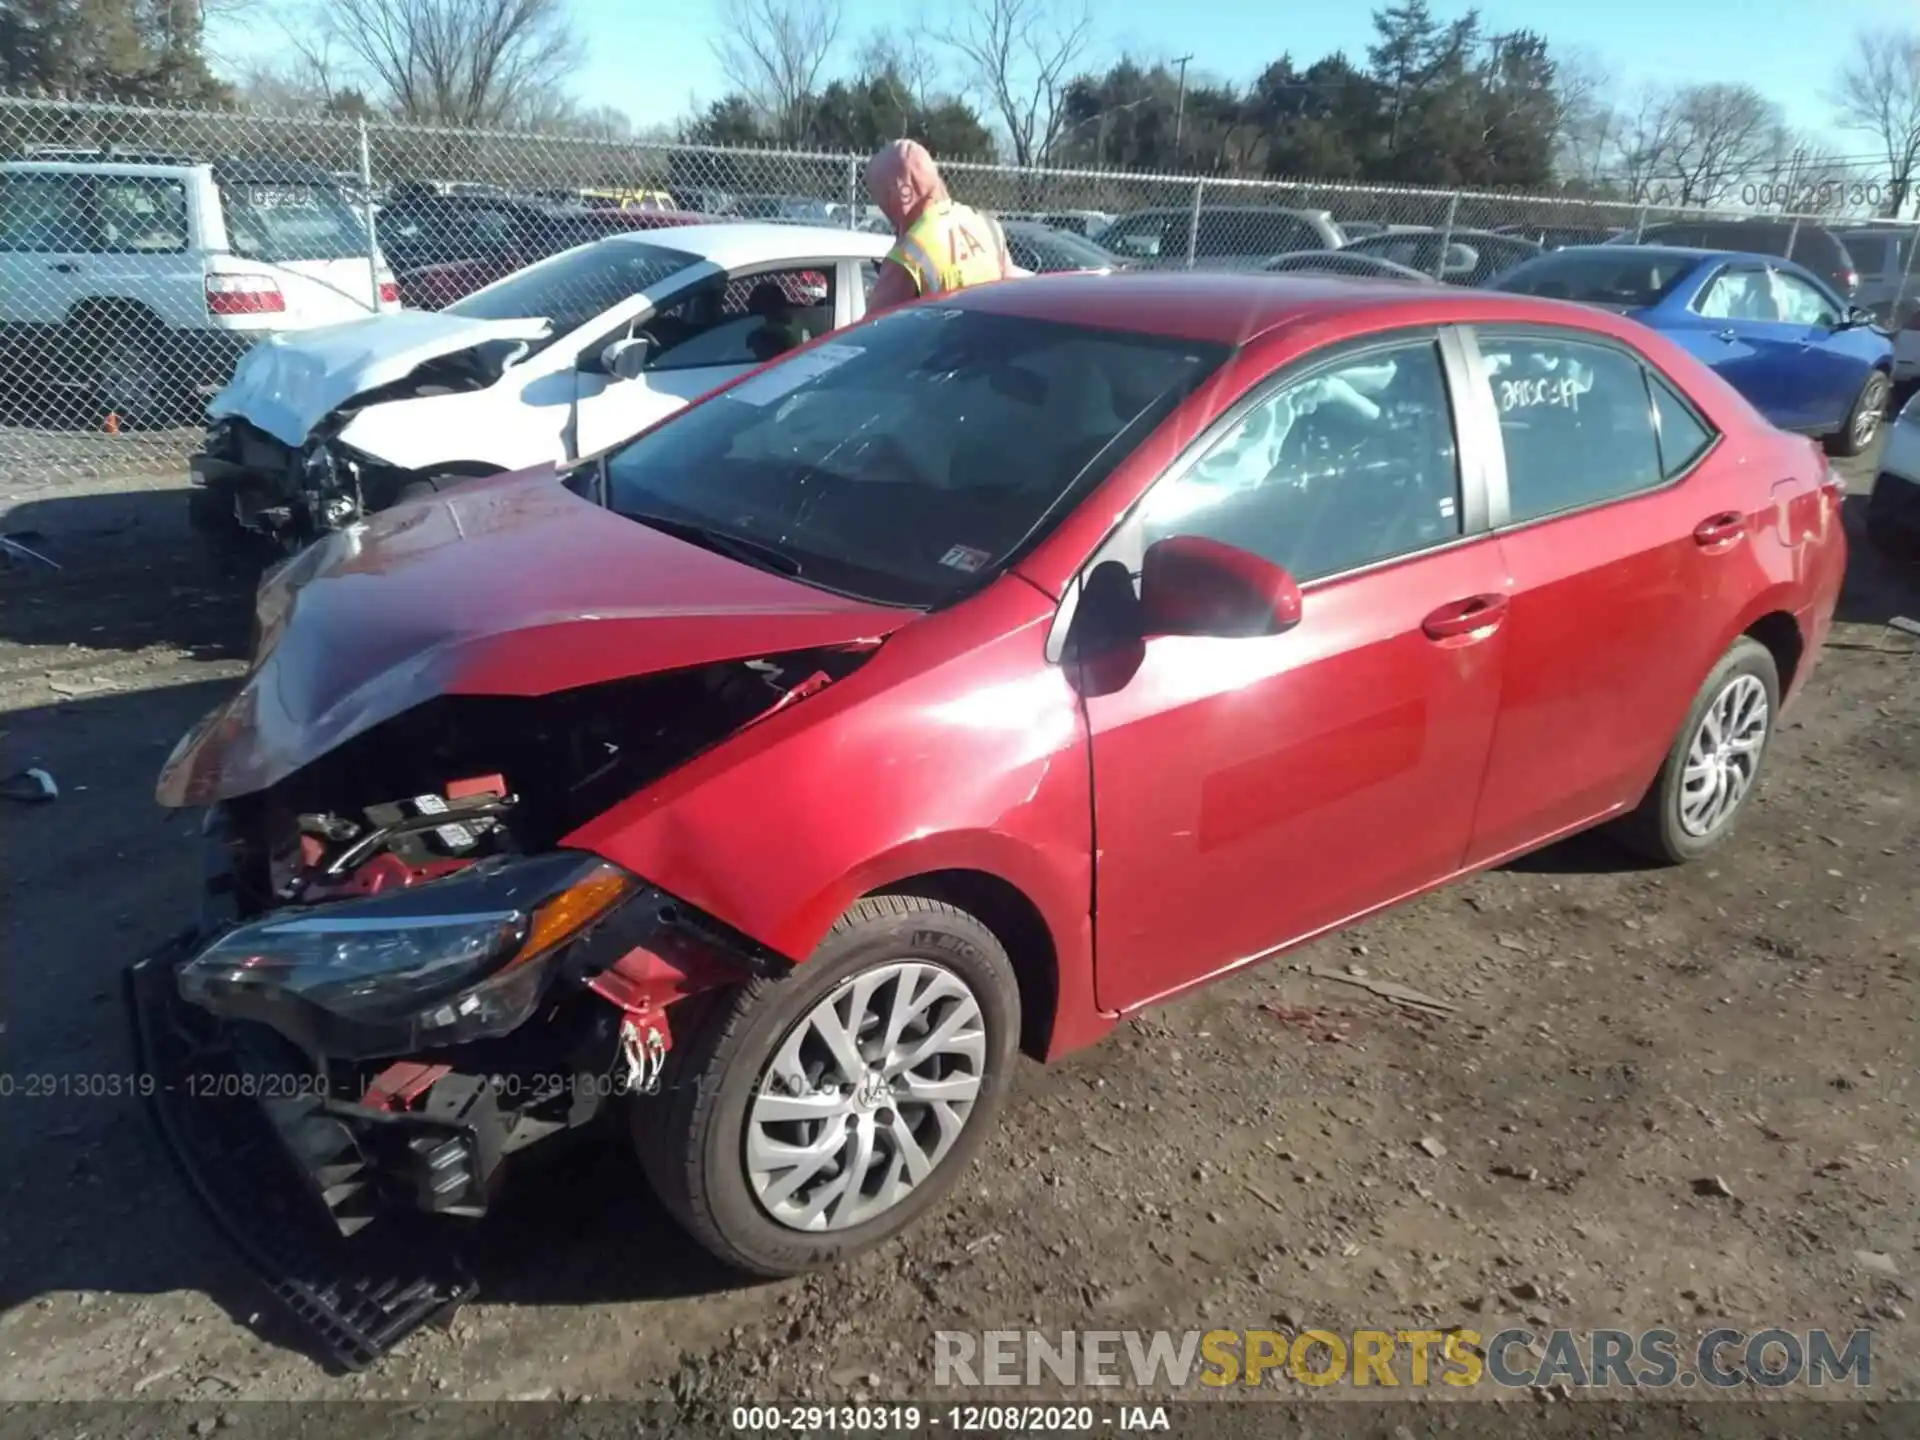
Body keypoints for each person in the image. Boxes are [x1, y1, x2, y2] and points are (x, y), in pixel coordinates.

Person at [864, 139, 1012, 312]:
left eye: (881, 195)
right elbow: (1011, 298)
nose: (882, 207)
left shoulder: (908, 255)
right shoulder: (988, 227)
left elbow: (872, 330)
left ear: (902, 193)